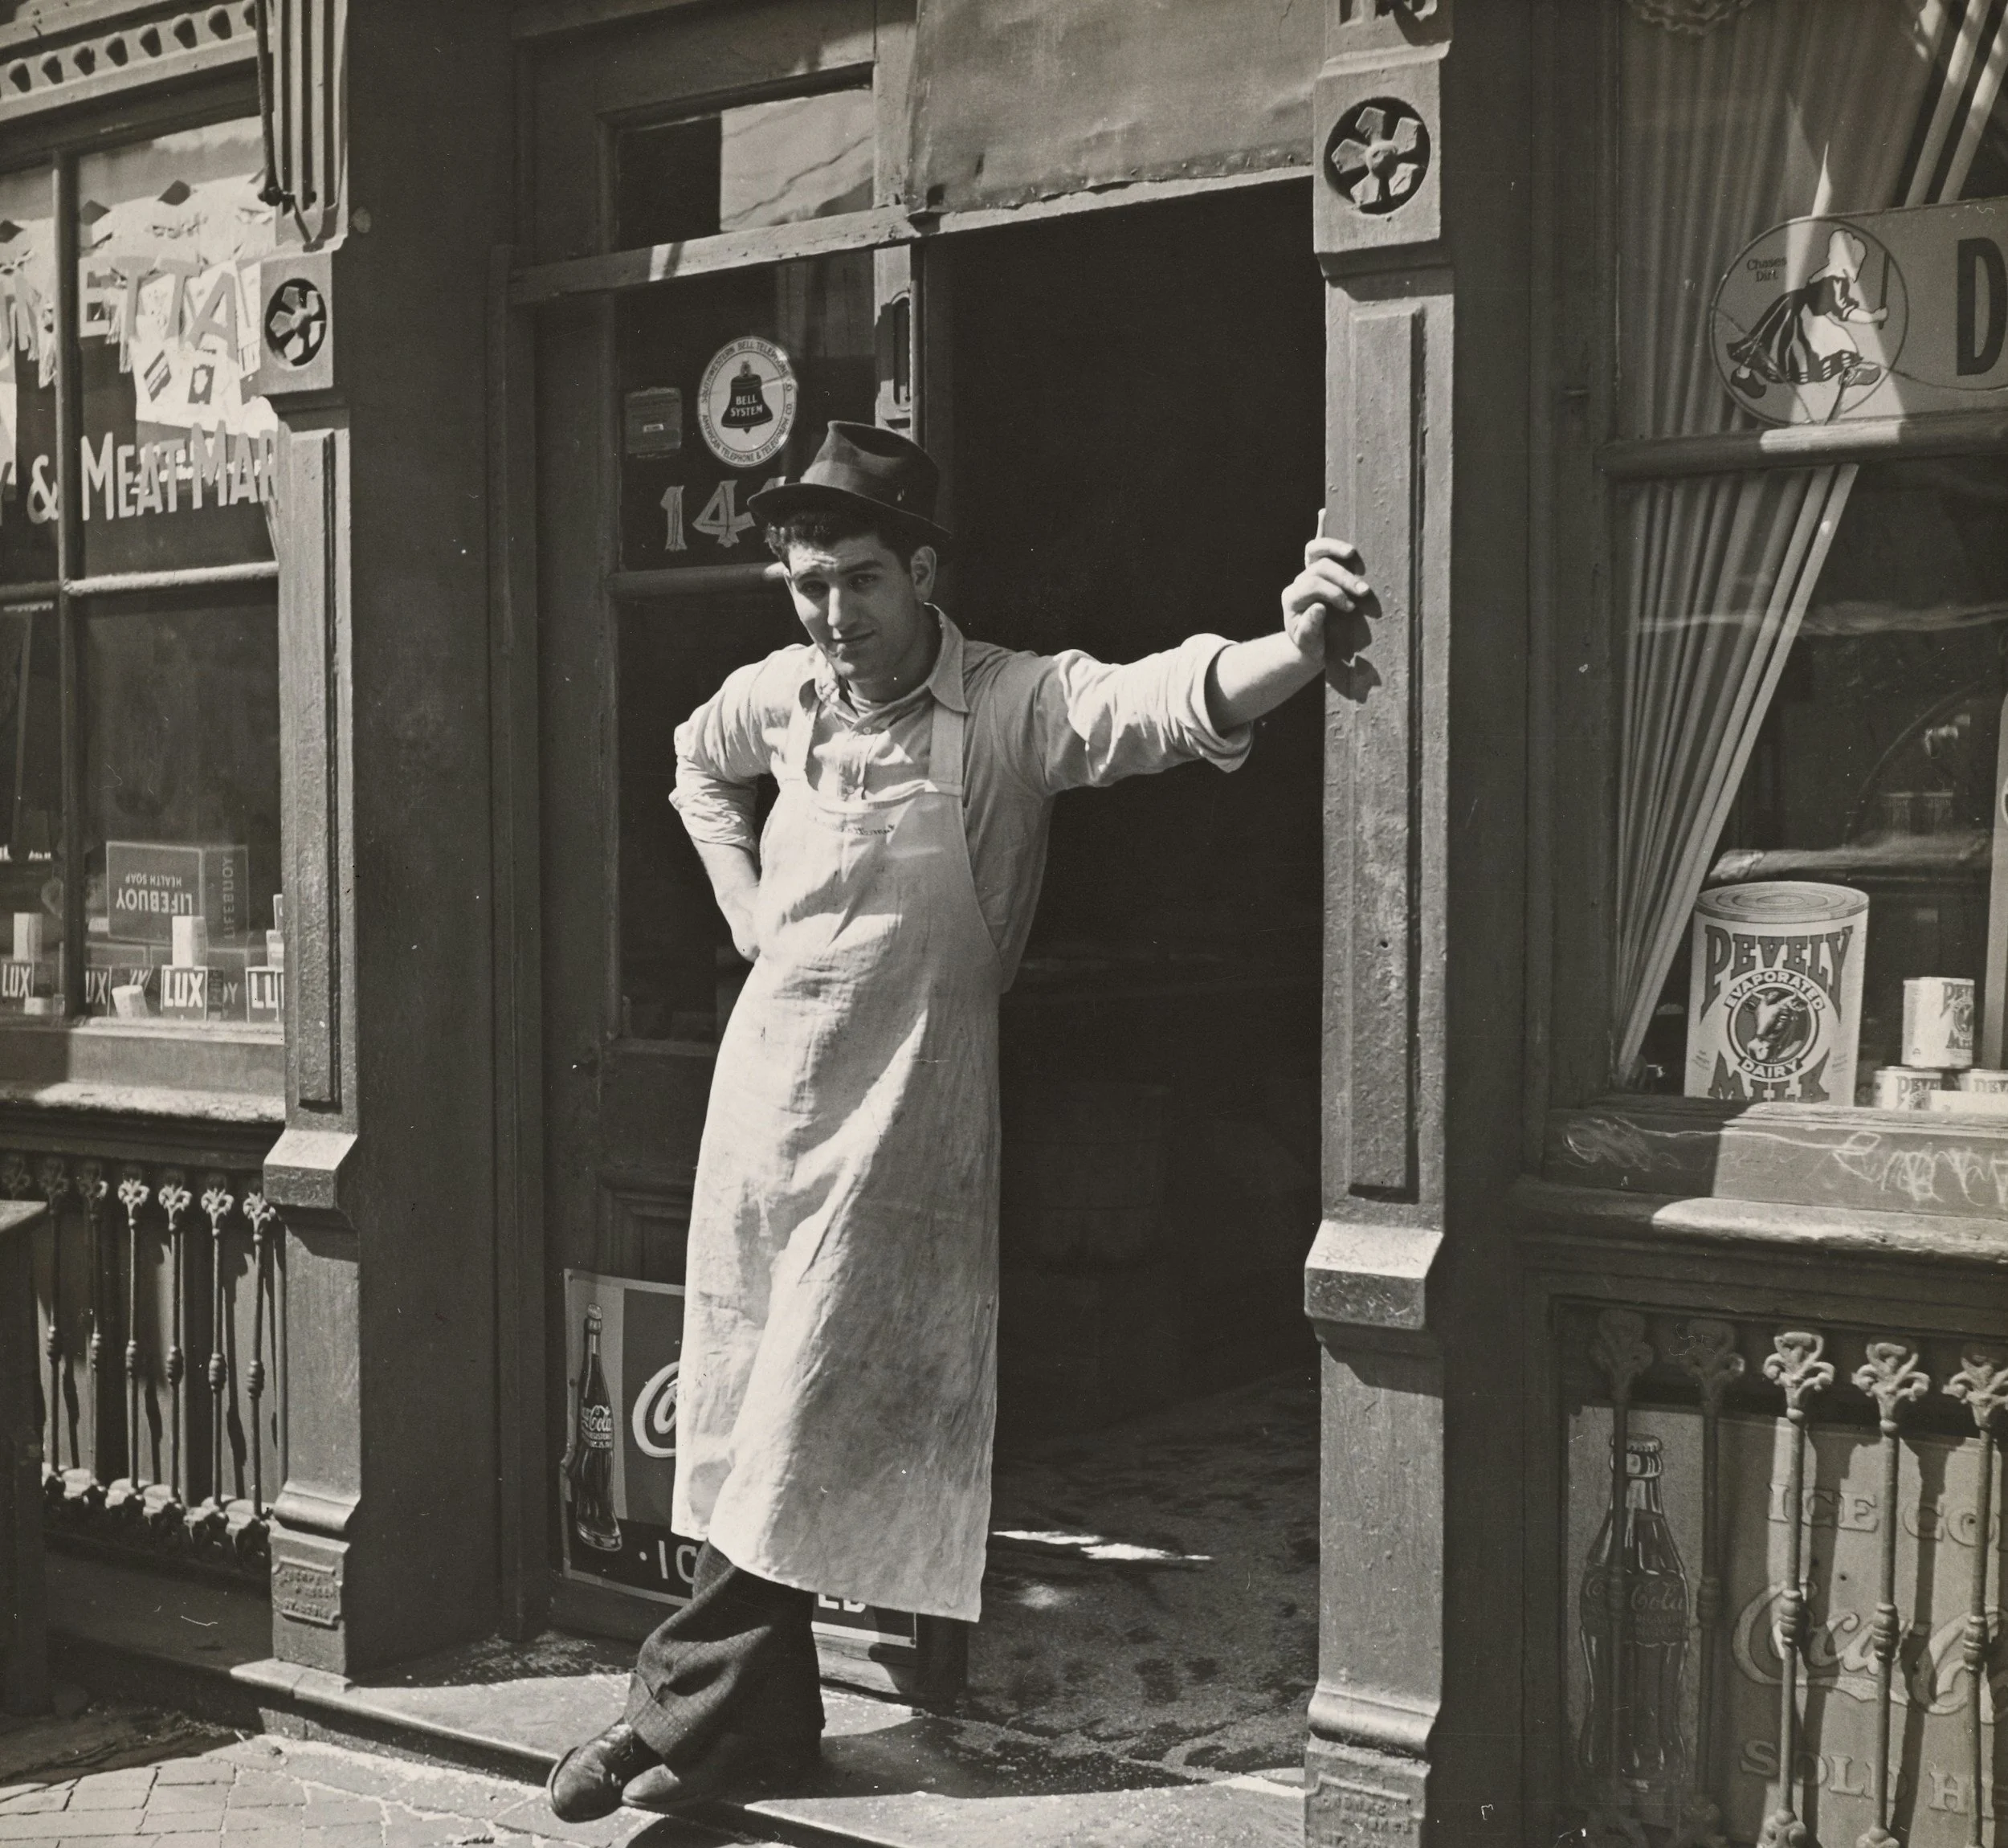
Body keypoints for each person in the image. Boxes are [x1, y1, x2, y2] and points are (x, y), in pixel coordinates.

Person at [547, 422, 1370, 1821]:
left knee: (809, 1410)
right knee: (748, 1411)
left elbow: (1157, 705)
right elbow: (694, 762)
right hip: (763, 1105)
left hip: (905, 1122)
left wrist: (1290, 649)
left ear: (923, 572)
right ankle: (744, 1725)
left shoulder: (1001, 708)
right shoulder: (784, 694)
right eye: (806, 586)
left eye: (858, 582)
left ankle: (676, 1708)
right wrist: (743, 902)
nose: (830, 616)